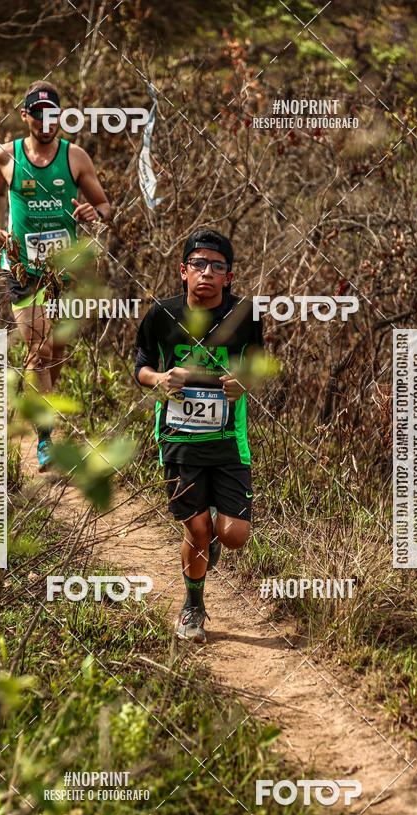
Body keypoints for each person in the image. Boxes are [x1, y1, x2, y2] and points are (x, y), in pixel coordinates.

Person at [134, 229, 263, 643]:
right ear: (183, 271)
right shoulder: (161, 315)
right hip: (178, 440)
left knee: (234, 535)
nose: (207, 273)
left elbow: (257, 367)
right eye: (199, 264)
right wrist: (159, 380)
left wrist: (243, 382)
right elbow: (140, 367)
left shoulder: (246, 315)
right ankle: (193, 606)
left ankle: (212, 539)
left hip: (228, 442)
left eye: (217, 266)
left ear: (228, 276)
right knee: (197, 530)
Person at [0, 80, 111, 468]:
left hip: (65, 270)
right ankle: (45, 439)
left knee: (56, 353)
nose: (45, 122)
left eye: (52, 115)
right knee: (39, 351)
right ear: (25, 116)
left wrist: (95, 214)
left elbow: (105, 206)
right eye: (38, 115)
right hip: (22, 267)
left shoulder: (75, 158)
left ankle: (37, 408)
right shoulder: (4, 157)